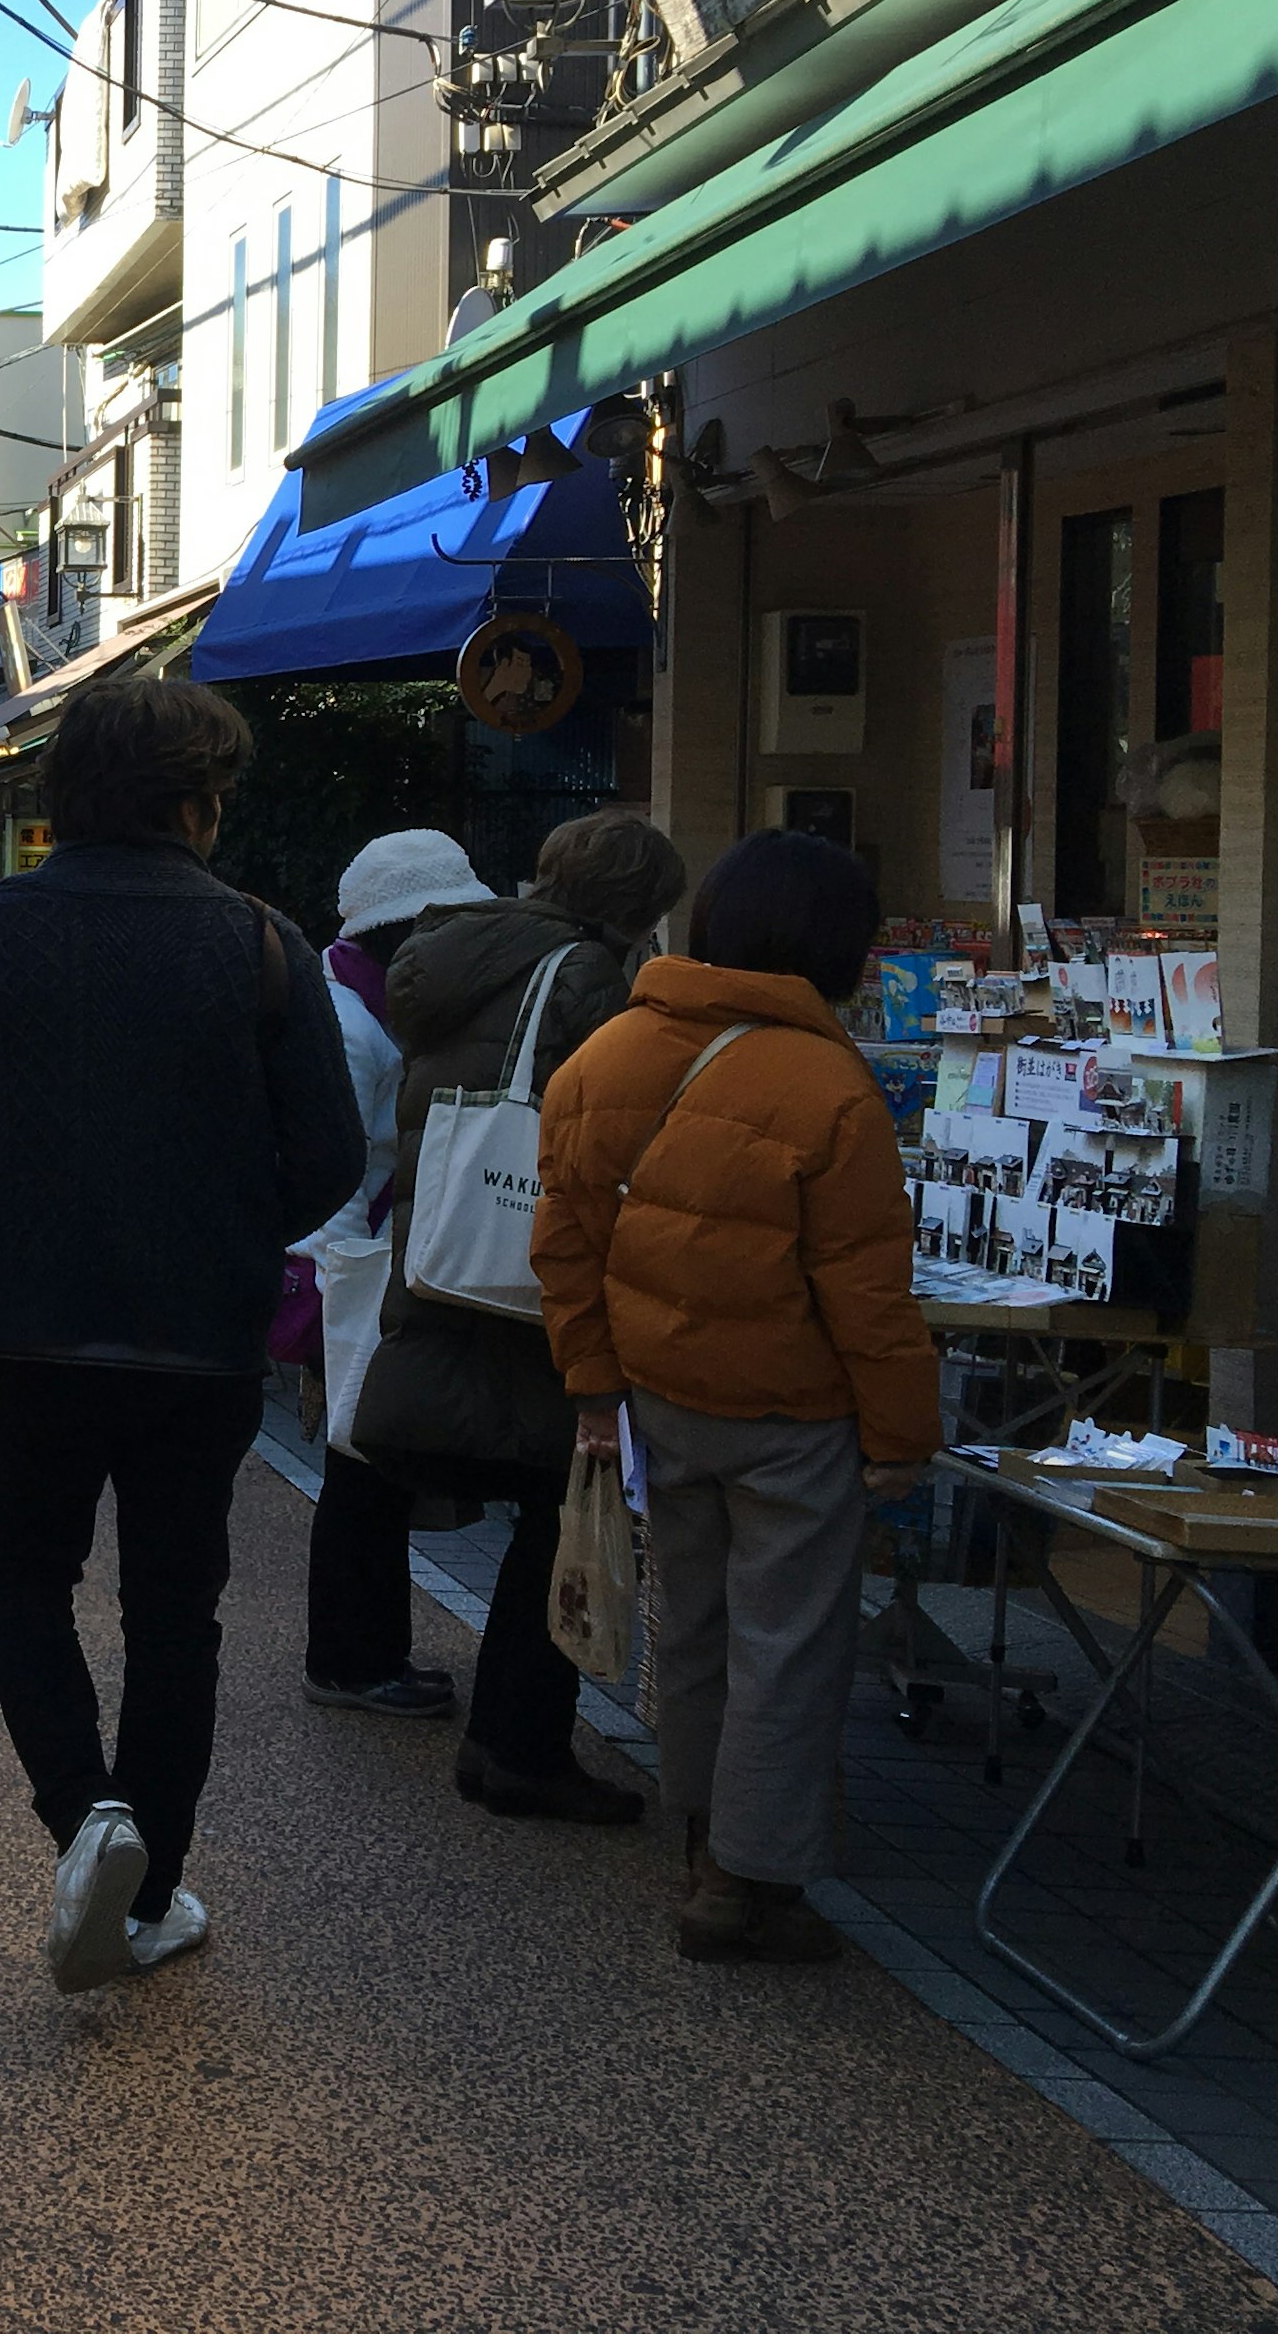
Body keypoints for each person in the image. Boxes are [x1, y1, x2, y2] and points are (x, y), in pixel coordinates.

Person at [0, 678, 361, 1990]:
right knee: (175, 1612)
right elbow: (329, 1155)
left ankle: (84, 1817)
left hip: (27, 1326)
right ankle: (147, 1893)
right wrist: (223, 1222)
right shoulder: (258, 941)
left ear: (65, 792)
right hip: (198, 1340)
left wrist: (20, 1186)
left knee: (21, 1581)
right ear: (200, 798)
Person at [535, 829, 939, 1963]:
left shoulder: (606, 1056)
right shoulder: (831, 1088)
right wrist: (904, 1435)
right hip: (791, 1419)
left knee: (695, 1632)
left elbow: (563, 1248)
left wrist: (594, 1388)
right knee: (790, 1646)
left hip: (658, 1400)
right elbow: (867, 1292)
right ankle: (747, 1875)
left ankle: (703, 1831)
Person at [352, 804, 685, 1826]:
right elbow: (601, 1134)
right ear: (634, 907)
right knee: (566, 1513)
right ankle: (523, 1749)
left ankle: (506, 1741)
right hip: (533, 1284)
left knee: (546, 1516)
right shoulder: (584, 975)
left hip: (456, 1266)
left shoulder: (453, 954)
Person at [295, 829, 497, 1718]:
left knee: (369, 1469)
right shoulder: (346, 1015)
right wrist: (341, 1283)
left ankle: (365, 1653)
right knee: (361, 1471)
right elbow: (331, 1164)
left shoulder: (372, 998)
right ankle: (352, 1659)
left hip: (375, 1261)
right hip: (355, 1266)